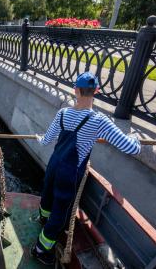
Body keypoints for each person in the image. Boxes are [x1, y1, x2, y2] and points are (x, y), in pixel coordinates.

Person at [31, 72, 141, 265]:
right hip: (69, 173)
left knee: (47, 196)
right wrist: (136, 139)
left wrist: (40, 139)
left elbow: (47, 140)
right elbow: (130, 148)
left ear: (76, 90)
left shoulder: (63, 113)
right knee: (60, 212)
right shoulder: (99, 121)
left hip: (54, 166)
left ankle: (42, 218)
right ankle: (40, 249)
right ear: (96, 91)